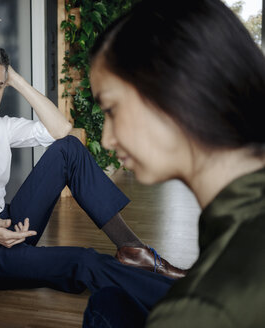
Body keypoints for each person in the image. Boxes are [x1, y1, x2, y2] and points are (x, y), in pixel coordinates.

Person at [0, 41, 184, 299]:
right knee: (83, 260)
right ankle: (177, 295)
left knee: (68, 148)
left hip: (11, 226)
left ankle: (134, 250)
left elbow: (61, 130)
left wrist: (17, 81)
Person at [85, 0, 265, 326]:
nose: (108, 138)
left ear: (173, 92)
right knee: (108, 300)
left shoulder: (200, 310)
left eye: (111, 109)